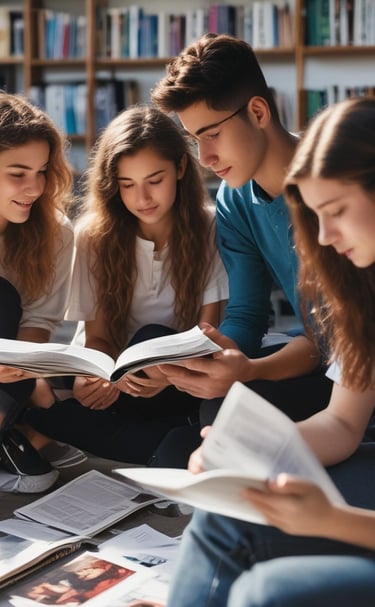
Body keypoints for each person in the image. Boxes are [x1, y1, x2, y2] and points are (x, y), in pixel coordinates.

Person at [166, 96, 375, 607]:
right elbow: (343, 424)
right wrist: (251, 453)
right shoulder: (364, 295)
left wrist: (332, 521)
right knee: (229, 509)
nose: (324, 237)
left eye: (337, 212)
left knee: (265, 593)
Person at [24, 104, 228, 465]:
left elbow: (210, 331)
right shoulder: (94, 236)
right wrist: (103, 377)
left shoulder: (210, 226)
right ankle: (169, 441)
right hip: (117, 377)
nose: (142, 199)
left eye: (155, 180)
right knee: (43, 406)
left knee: (151, 338)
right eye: (127, 185)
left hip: (183, 376)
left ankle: (159, 439)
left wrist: (170, 376)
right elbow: (98, 337)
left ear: (180, 168)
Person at [151, 33, 333, 428]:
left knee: (228, 416)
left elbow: (333, 337)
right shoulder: (234, 200)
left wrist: (249, 371)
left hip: (356, 363)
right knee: (215, 408)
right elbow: (248, 314)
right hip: (316, 357)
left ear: (258, 112)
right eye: (194, 140)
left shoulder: (335, 185)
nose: (204, 158)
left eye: (212, 134)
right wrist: (221, 352)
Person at [0, 91, 76, 492]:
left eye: (43, 170)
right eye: (18, 172)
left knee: (50, 400)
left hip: (9, 373)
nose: (35, 187)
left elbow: (39, 320)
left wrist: (22, 364)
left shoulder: (57, 234)